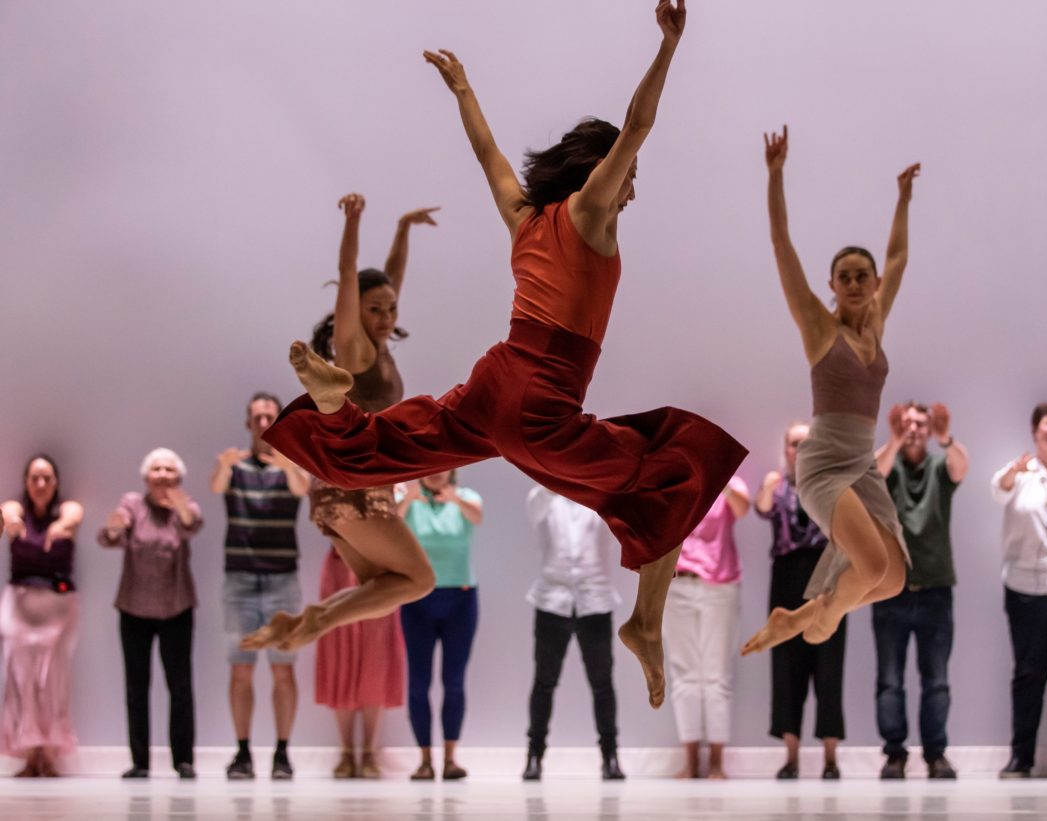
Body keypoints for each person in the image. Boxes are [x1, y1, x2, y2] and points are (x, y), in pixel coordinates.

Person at [259, 0, 747, 710]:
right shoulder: (588, 212)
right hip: (543, 399)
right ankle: (644, 620)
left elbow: (488, 155)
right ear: (602, 170)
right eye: (627, 174)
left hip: (496, 382)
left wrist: (462, 90)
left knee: (389, 444)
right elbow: (637, 127)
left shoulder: (524, 217)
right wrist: (669, 47)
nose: (632, 185)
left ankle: (337, 403)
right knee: (677, 462)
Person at [742, 126, 919, 655]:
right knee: (868, 565)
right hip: (822, 463)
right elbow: (782, 247)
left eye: (864, 275)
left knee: (891, 579)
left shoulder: (877, 325)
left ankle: (800, 618)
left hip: (861, 464)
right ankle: (811, 621)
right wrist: (775, 177)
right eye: (845, 276)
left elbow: (899, 256)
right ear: (833, 285)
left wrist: (903, 198)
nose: (857, 282)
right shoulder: (822, 330)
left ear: (874, 285)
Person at [290, 196, 434, 779]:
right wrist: (352, 223)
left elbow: (386, 279)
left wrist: (402, 231)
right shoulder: (352, 349)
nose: (384, 316)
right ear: (357, 311)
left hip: (347, 491)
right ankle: (321, 619)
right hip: (352, 486)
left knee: (386, 585)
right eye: (375, 309)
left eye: (389, 309)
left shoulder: (382, 342)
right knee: (419, 580)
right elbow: (353, 278)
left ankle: (319, 619)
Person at [209, 393, 310, 780]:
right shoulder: (234, 467)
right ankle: (242, 753)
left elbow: (303, 491)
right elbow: (216, 486)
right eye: (258, 417)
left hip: (283, 579)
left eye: (271, 416)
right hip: (240, 579)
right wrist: (224, 464)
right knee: (241, 670)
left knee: (284, 670)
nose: (264, 423)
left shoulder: (293, 465)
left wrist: (286, 462)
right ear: (248, 423)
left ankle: (283, 753)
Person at [872, 402, 968, 780]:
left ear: (930, 429)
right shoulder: (888, 465)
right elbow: (872, 472)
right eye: (907, 422)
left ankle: (935, 754)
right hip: (891, 590)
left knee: (937, 679)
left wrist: (946, 438)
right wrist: (892, 441)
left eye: (920, 423)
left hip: (936, 590)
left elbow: (961, 466)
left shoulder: (939, 468)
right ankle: (895, 754)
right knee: (890, 680)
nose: (913, 428)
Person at [98, 448, 203, 780]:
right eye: (156, 469)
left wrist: (179, 503)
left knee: (180, 686)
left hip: (176, 606)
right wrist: (115, 528)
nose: (162, 474)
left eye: (168, 469)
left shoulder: (186, 506)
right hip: (134, 607)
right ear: (146, 477)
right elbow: (110, 536)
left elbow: (192, 525)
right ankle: (140, 762)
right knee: (136, 687)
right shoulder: (131, 503)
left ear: (178, 477)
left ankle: (183, 760)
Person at [755, 422, 845, 780]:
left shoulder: (831, 484)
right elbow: (761, 508)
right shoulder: (777, 485)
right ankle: (791, 757)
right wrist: (767, 485)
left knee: (829, 667)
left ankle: (830, 758)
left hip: (827, 579)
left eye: (807, 443)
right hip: (787, 580)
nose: (801, 449)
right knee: (786, 667)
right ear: (786, 448)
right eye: (795, 443)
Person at [522, 485, 624, 782]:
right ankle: (534, 756)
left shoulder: (601, 497)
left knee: (602, 683)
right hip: (552, 599)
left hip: (595, 598)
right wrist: (554, 476)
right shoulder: (543, 496)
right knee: (544, 682)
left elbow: (617, 511)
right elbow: (535, 507)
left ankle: (610, 756)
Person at [992, 402, 1047, 779]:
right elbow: (999, 490)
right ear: (1035, 431)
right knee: (1028, 675)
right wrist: (1013, 473)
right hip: (1025, 589)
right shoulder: (1020, 471)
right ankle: (1021, 758)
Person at [396, 470, 483, 781]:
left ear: (452, 468)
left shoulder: (467, 497)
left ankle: (449, 758)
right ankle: (423, 760)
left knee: (454, 681)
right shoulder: (408, 500)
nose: (435, 473)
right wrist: (407, 497)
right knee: (418, 683)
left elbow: (477, 516)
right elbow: (391, 524)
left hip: (460, 599)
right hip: (417, 599)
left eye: (441, 467)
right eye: (429, 468)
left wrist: (455, 498)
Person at [0, 455, 82, 778]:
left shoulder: (68, 509)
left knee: (53, 683)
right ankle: (28, 754)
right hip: (20, 605)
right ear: (26, 481)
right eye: (34, 477)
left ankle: (48, 755)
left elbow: (73, 518)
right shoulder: (13, 509)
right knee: (22, 681)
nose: (41, 484)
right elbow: (8, 513)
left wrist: (60, 527)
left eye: (47, 477)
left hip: (59, 606)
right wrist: (11, 520)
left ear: (56, 482)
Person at [664, 476, 750, 780]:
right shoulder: (671, 480)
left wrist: (719, 476)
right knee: (683, 673)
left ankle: (716, 762)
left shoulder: (729, 480)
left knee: (717, 675)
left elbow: (743, 508)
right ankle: (690, 761)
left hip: (720, 585)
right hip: (676, 584)